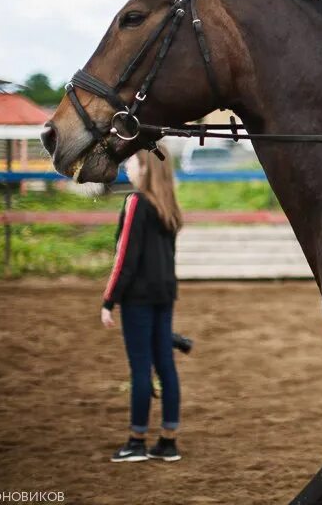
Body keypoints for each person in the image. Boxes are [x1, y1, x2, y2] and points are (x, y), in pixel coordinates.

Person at [100, 147, 184, 462]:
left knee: (140, 369)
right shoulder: (169, 207)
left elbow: (125, 256)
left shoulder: (135, 202)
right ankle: (168, 440)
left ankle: (136, 441)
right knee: (166, 366)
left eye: (133, 161)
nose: (128, 165)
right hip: (165, 294)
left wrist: (109, 299)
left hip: (139, 297)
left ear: (147, 168)